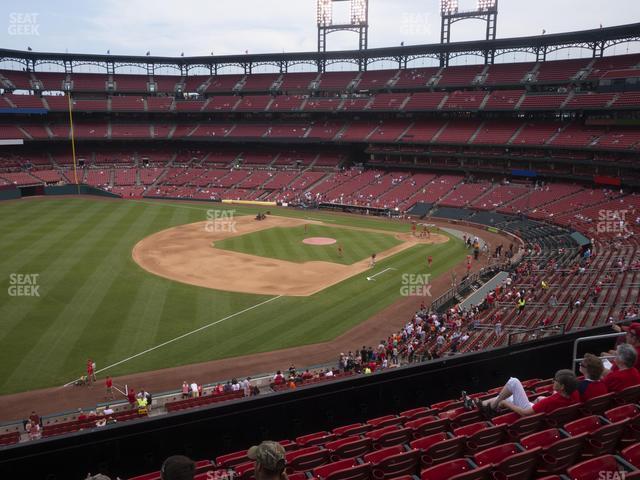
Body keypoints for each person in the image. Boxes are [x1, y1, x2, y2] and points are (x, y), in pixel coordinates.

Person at [470, 369, 579, 417]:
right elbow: (560, 397)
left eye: (556, 380)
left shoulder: (551, 401)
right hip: (540, 411)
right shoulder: (574, 394)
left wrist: (506, 404)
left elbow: (525, 413)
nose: (553, 381)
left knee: (514, 382)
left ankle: (490, 406)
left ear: (563, 387)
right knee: (508, 396)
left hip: (530, 412)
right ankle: (478, 405)